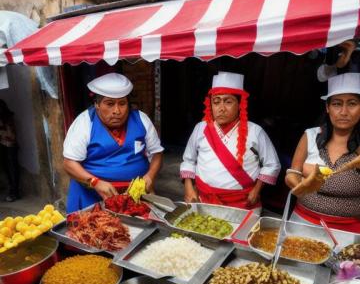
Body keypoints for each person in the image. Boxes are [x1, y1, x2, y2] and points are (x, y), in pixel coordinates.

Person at [180, 71, 280, 213]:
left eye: (228, 102)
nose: (221, 108)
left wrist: (257, 190)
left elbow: (272, 164)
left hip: (243, 204)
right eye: (216, 102)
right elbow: (188, 160)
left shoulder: (255, 131)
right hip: (204, 201)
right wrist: (189, 187)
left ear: (240, 104)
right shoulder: (200, 128)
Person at [63, 73, 164, 213]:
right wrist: (95, 182)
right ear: (97, 104)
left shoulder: (141, 119)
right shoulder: (84, 122)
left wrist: (150, 176)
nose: (117, 111)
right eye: (109, 104)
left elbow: (157, 153)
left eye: (122, 103)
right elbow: (69, 164)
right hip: (93, 196)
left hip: (135, 196)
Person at [285, 73, 360, 233]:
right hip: (302, 222)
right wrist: (300, 185)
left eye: (352, 104)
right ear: (327, 107)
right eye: (337, 104)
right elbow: (292, 172)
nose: (344, 112)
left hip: (349, 229)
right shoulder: (311, 135)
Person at [0, 100, 20, 202]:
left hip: (10, 146)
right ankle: (12, 190)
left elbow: (11, 136)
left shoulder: (7, 119)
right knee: (7, 170)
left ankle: (14, 192)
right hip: (4, 146)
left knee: (12, 170)